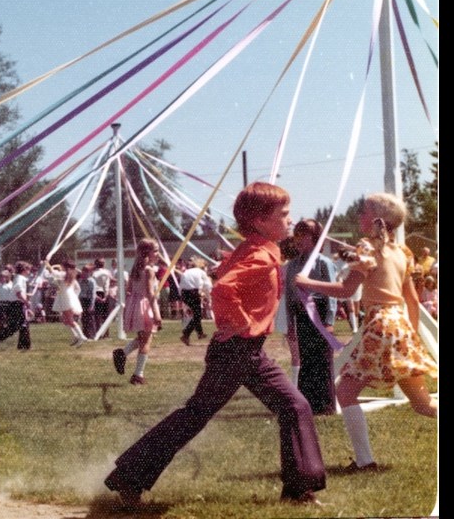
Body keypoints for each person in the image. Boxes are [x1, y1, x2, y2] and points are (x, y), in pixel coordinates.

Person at [104, 182, 325, 506]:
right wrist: (240, 322)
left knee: (294, 406)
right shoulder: (260, 254)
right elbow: (223, 289)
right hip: (237, 351)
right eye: (284, 214)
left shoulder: (260, 248)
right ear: (261, 221)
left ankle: (299, 491)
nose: (290, 220)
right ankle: (129, 477)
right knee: (199, 414)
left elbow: (229, 275)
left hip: (247, 352)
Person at [295, 193, 437, 472]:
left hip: (381, 325)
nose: (359, 215)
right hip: (400, 326)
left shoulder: (367, 248)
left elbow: (347, 290)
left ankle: (365, 462)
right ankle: (364, 462)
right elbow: (411, 300)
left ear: (376, 220)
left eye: (363, 211)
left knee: (345, 392)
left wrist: (307, 282)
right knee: (423, 404)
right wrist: (410, 336)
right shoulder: (403, 252)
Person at [283, 220, 337, 415]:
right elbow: (289, 297)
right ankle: (309, 404)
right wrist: (290, 324)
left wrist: (329, 320)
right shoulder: (292, 265)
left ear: (315, 238)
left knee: (322, 361)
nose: (298, 239)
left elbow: (331, 293)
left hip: (320, 314)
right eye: (296, 234)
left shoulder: (324, 263)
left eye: (304, 235)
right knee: (306, 360)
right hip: (302, 316)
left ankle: (327, 405)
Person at [112, 239, 163, 385]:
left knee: (142, 337)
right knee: (146, 340)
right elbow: (149, 293)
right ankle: (138, 375)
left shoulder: (135, 269)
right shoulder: (149, 270)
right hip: (144, 305)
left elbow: (129, 290)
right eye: (156, 251)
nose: (158, 254)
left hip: (135, 305)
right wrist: (157, 314)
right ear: (148, 252)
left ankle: (122, 353)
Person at [0, 261, 31, 350]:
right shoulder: (20, 278)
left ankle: (23, 345)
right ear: (24, 270)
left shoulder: (19, 278)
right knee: (19, 325)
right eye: (28, 270)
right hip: (17, 304)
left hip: (15, 304)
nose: (29, 272)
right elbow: (18, 293)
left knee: (21, 325)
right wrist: (26, 302)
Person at [46, 260, 88, 347]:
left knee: (69, 320)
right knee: (66, 320)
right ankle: (76, 336)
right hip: (68, 297)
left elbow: (52, 272)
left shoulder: (64, 274)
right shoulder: (70, 275)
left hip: (66, 298)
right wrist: (74, 297)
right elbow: (77, 289)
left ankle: (81, 336)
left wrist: (47, 263)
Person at [178, 257, 211, 345]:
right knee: (198, 315)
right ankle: (186, 334)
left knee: (197, 314)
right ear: (203, 266)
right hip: (193, 293)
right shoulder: (201, 272)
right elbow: (207, 286)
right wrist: (209, 299)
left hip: (184, 293)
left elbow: (181, 285)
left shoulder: (187, 271)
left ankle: (200, 333)